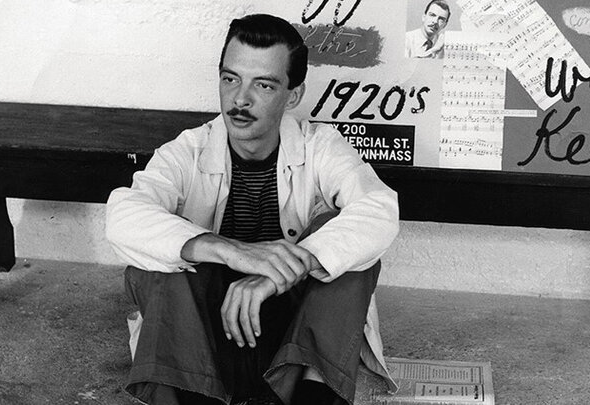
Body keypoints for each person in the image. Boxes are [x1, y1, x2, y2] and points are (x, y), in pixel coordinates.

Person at [106, 13, 399, 405]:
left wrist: (277, 275)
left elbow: (380, 208)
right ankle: (191, 394)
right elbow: (123, 214)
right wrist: (232, 250)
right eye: (230, 79)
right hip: (204, 334)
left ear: (292, 95)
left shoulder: (320, 145)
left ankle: (311, 396)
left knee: (345, 242)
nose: (240, 99)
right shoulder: (189, 149)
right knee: (158, 257)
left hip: (293, 339)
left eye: (263, 84)